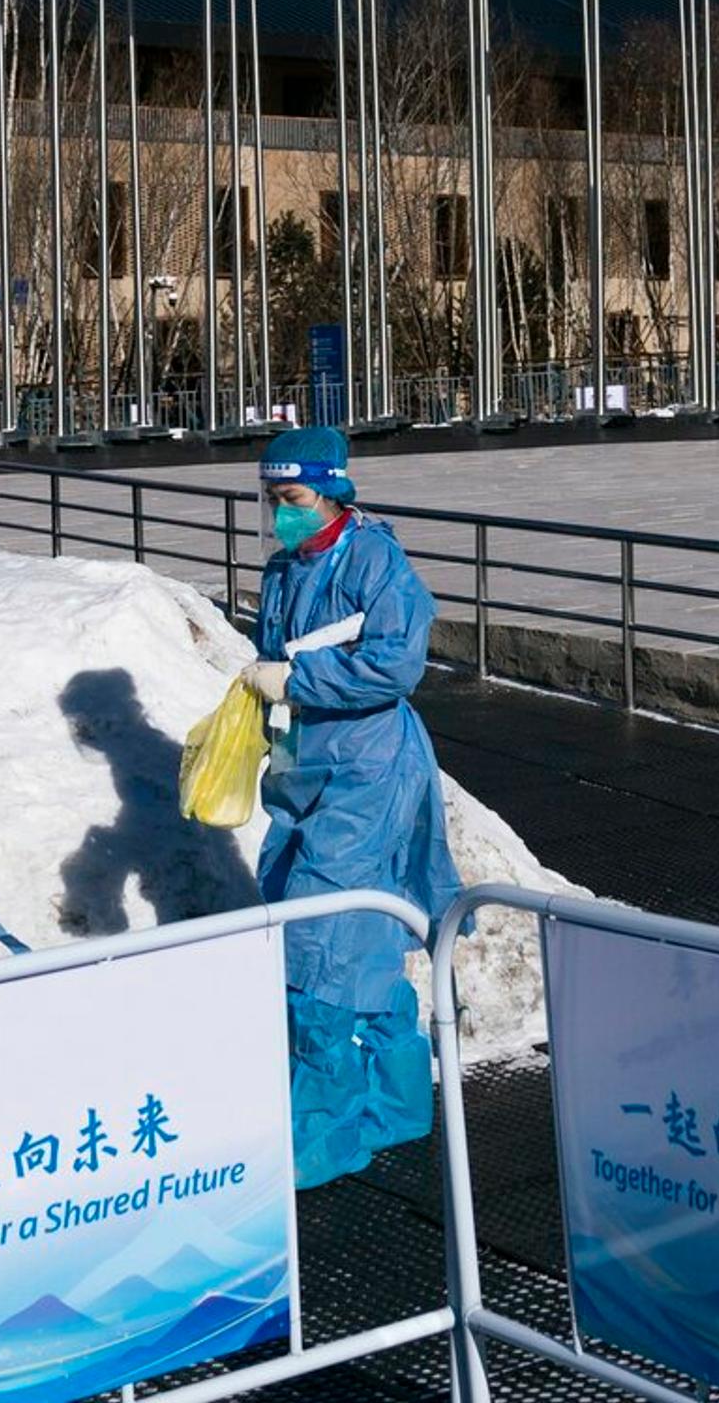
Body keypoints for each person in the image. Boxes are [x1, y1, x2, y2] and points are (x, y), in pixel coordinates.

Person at [245, 427, 463, 1189]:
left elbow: (396, 664)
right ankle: (395, 1100)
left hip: (367, 770)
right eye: (272, 500)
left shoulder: (376, 563)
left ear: (333, 491)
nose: (280, 515)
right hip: (305, 769)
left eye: (293, 500)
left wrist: (298, 684)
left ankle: (322, 1125)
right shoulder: (283, 572)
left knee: (319, 936)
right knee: (346, 930)